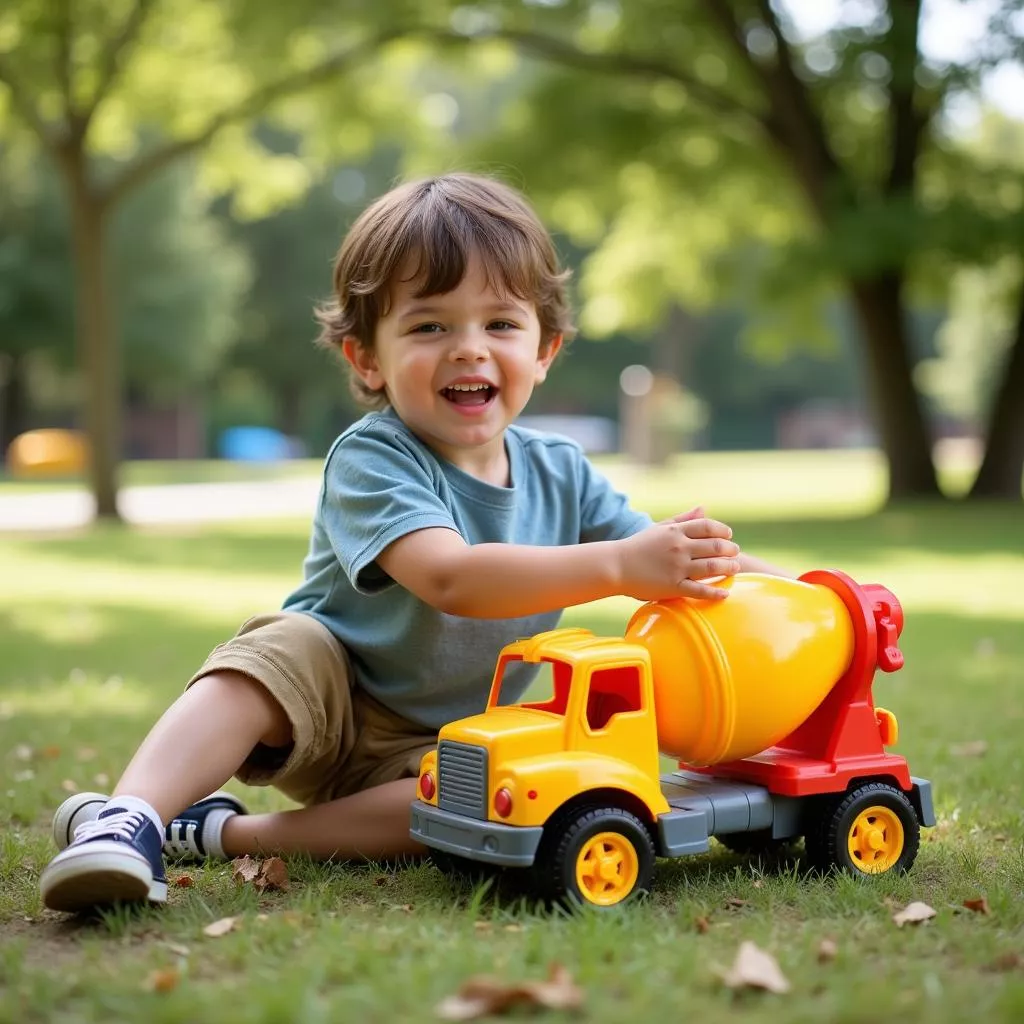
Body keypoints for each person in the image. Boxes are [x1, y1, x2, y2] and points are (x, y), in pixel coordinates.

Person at [40, 173, 784, 913]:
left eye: (500, 324)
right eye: (430, 326)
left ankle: (222, 835)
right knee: (275, 651)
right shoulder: (374, 457)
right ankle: (129, 817)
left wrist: (813, 591)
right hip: (332, 705)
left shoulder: (562, 471)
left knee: (487, 801)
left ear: (546, 348)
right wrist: (622, 566)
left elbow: (693, 560)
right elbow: (450, 577)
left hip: (438, 744)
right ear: (367, 358)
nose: (469, 349)